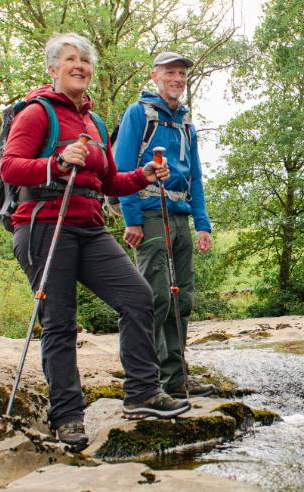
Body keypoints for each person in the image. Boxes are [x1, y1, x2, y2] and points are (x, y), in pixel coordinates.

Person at [1, 33, 191, 451]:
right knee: (60, 322)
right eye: (71, 60)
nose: (80, 67)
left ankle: (142, 393)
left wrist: (142, 177)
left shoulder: (95, 122)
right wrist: (55, 162)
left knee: (139, 296)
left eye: (86, 61)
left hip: (88, 225)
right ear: (53, 68)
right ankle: (67, 416)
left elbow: (109, 182)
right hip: (44, 226)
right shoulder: (36, 114)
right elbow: (10, 167)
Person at [114, 51, 215, 398]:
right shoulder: (138, 114)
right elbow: (121, 169)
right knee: (154, 297)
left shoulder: (187, 123)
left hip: (180, 215)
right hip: (148, 210)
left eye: (182, 75)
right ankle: (152, 381)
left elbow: (196, 177)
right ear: (155, 75)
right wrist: (132, 219)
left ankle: (176, 379)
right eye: (171, 73)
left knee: (181, 300)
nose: (177, 80)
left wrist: (203, 223)